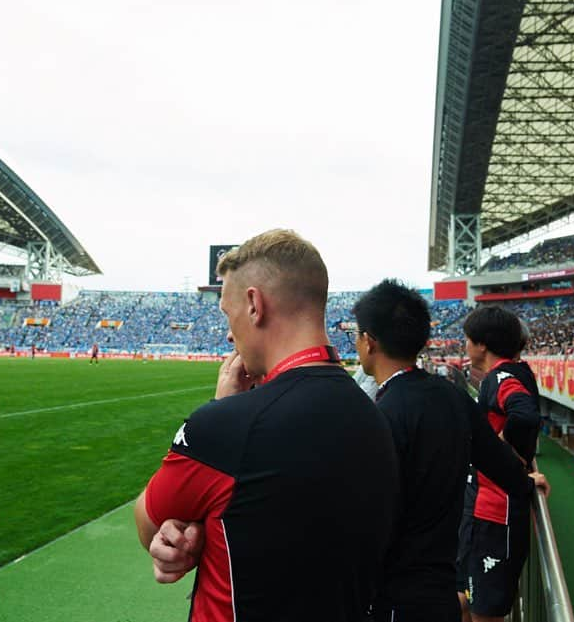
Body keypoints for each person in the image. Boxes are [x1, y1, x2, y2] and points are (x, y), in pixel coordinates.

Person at [134, 229, 399, 621]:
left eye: (228, 312)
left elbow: (148, 521)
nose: (228, 332)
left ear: (255, 304)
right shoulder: (375, 416)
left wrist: (221, 407)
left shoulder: (228, 427)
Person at [351, 281, 547, 622]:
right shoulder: (450, 396)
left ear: (369, 341)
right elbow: (503, 466)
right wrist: (529, 483)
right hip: (440, 590)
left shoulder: (380, 415)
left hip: (395, 596)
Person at [457, 306, 543, 622]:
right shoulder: (512, 372)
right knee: (464, 599)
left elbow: (524, 415)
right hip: (482, 508)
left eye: (467, 339)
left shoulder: (502, 376)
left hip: (497, 513)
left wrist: (502, 449)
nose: (464, 346)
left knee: (485, 613)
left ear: (482, 344)